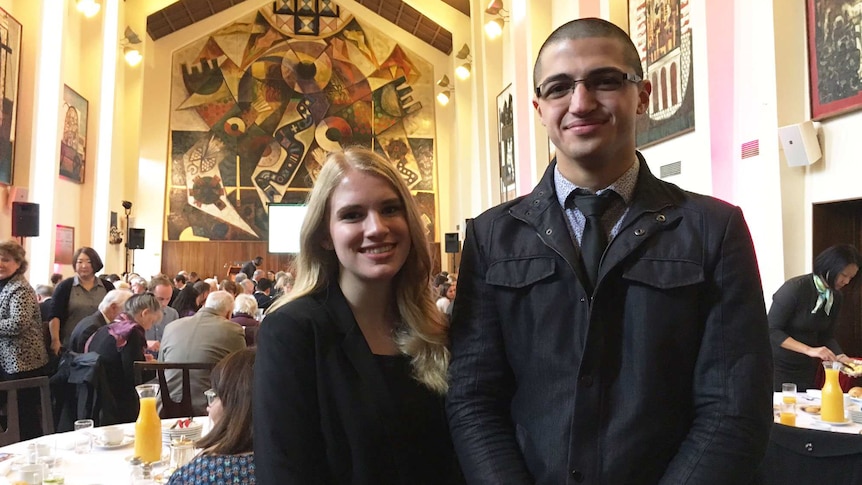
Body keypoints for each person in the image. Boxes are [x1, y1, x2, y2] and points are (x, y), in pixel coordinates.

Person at [445, 18, 773, 485]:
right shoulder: (491, 237)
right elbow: (474, 399)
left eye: (604, 81)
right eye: (559, 88)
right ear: (539, 108)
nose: (581, 102)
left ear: (643, 94)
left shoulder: (713, 230)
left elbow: (734, 407)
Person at [254, 147, 462, 484]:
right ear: (324, 234)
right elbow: (285, 472)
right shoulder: (292, 331)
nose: (377, 228)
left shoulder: (436, 329)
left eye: (390, 209)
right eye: (352, 215)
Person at [769, 244, 860, 391]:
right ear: (829, 267)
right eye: (844, 275)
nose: (847, 281)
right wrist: (809, 350)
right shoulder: (795, 288)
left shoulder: (836, 297)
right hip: (778, 367)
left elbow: (826, 336)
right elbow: (771, 330)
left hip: (806, 369)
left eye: (851, 277)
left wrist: (841, 357)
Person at [167, 348, 256, 485]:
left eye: (216, 396)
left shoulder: (196, 476)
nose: (209, 407)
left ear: (237, 405)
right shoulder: (295, 466)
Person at [159, 291, 246, 416]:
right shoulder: (233, 330)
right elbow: (239, 373)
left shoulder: (171, 327)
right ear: (228, 314)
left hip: (164, 404)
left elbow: (160, 367)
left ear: (204, 305)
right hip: (209, 405)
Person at [86, 293, 162, 424]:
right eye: (152, 321)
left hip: (93, 396)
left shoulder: (106, 328)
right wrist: (151, 366)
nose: (149, 327)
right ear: (145, 313)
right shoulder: (131, 332)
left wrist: (141, 357)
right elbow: (134, 375)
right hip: (117, 402)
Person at [0, 240, 50, 439]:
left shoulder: (20, 288)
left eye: (6, 260)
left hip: (23, 362)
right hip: (8, 361)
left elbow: (18, 323)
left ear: (18, 264)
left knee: (24, 414)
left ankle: (29, 450)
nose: (0, 263)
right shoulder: (4, 284)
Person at [48, 247, 115, 355]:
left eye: (88, 262)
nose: (84, 266)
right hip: (71, 343)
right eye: (80, 262)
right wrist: (55, 340)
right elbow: (55, 315)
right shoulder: (65, 286)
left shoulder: (107, 286)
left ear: (95, 263)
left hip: (101, 343)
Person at [68, 289, 133, 353]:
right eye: (127, 311)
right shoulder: (93, 327)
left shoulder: (94, 321)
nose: (129, 317)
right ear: (113, 307)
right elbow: (90, 359)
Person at [144, 277, 180, 354]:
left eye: (168, 299)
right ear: (150, 295)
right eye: (160, 299)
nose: (164, 303)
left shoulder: (173, 314)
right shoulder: (139, 314)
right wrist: (145, 343)